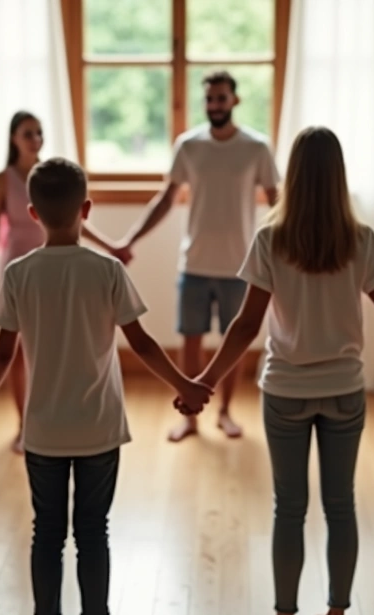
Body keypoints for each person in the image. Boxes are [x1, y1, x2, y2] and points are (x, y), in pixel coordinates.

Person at [175, 127, 374, 615]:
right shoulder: (360, 240)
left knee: (289, 507)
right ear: (338, 178)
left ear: (294, 176)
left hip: (285, 390)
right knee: (340, 505)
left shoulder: (271, 239)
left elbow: (243, 326)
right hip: (344, 390)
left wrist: (203, 381)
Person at [0, 158, 213, 615]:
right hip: (98, 427)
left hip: (44, 430)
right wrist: (184, 385)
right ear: (87, 209)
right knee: (93, 530)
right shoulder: (106, 269)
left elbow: (1, 352)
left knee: (47, 532)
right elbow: (141, 343)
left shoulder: (19, 273)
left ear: (31, 214)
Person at [116, 70, 280, 443]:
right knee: (191, 339)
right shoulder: (189, 145)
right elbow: (166, 199)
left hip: (240, 265)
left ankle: (224, 412)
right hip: (194, 263)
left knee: (231, 341)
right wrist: (130, 239)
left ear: (234, 101)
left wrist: (290, 246)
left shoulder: (257, 147)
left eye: (221, 98)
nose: (214, 105)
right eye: (209, 99)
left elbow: (275, 201)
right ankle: (190, 415)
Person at [0, 111, 131, 453]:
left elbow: (75, 219)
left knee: (57, 343)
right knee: (16, 350)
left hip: (61, 261)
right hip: (21, 260)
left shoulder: (53, 177)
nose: (36, 139)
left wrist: (111, 247)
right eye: (28, 133)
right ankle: (24, 424)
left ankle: (63, 416)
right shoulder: (3, 179)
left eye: (39, 132)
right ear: (13, 138)